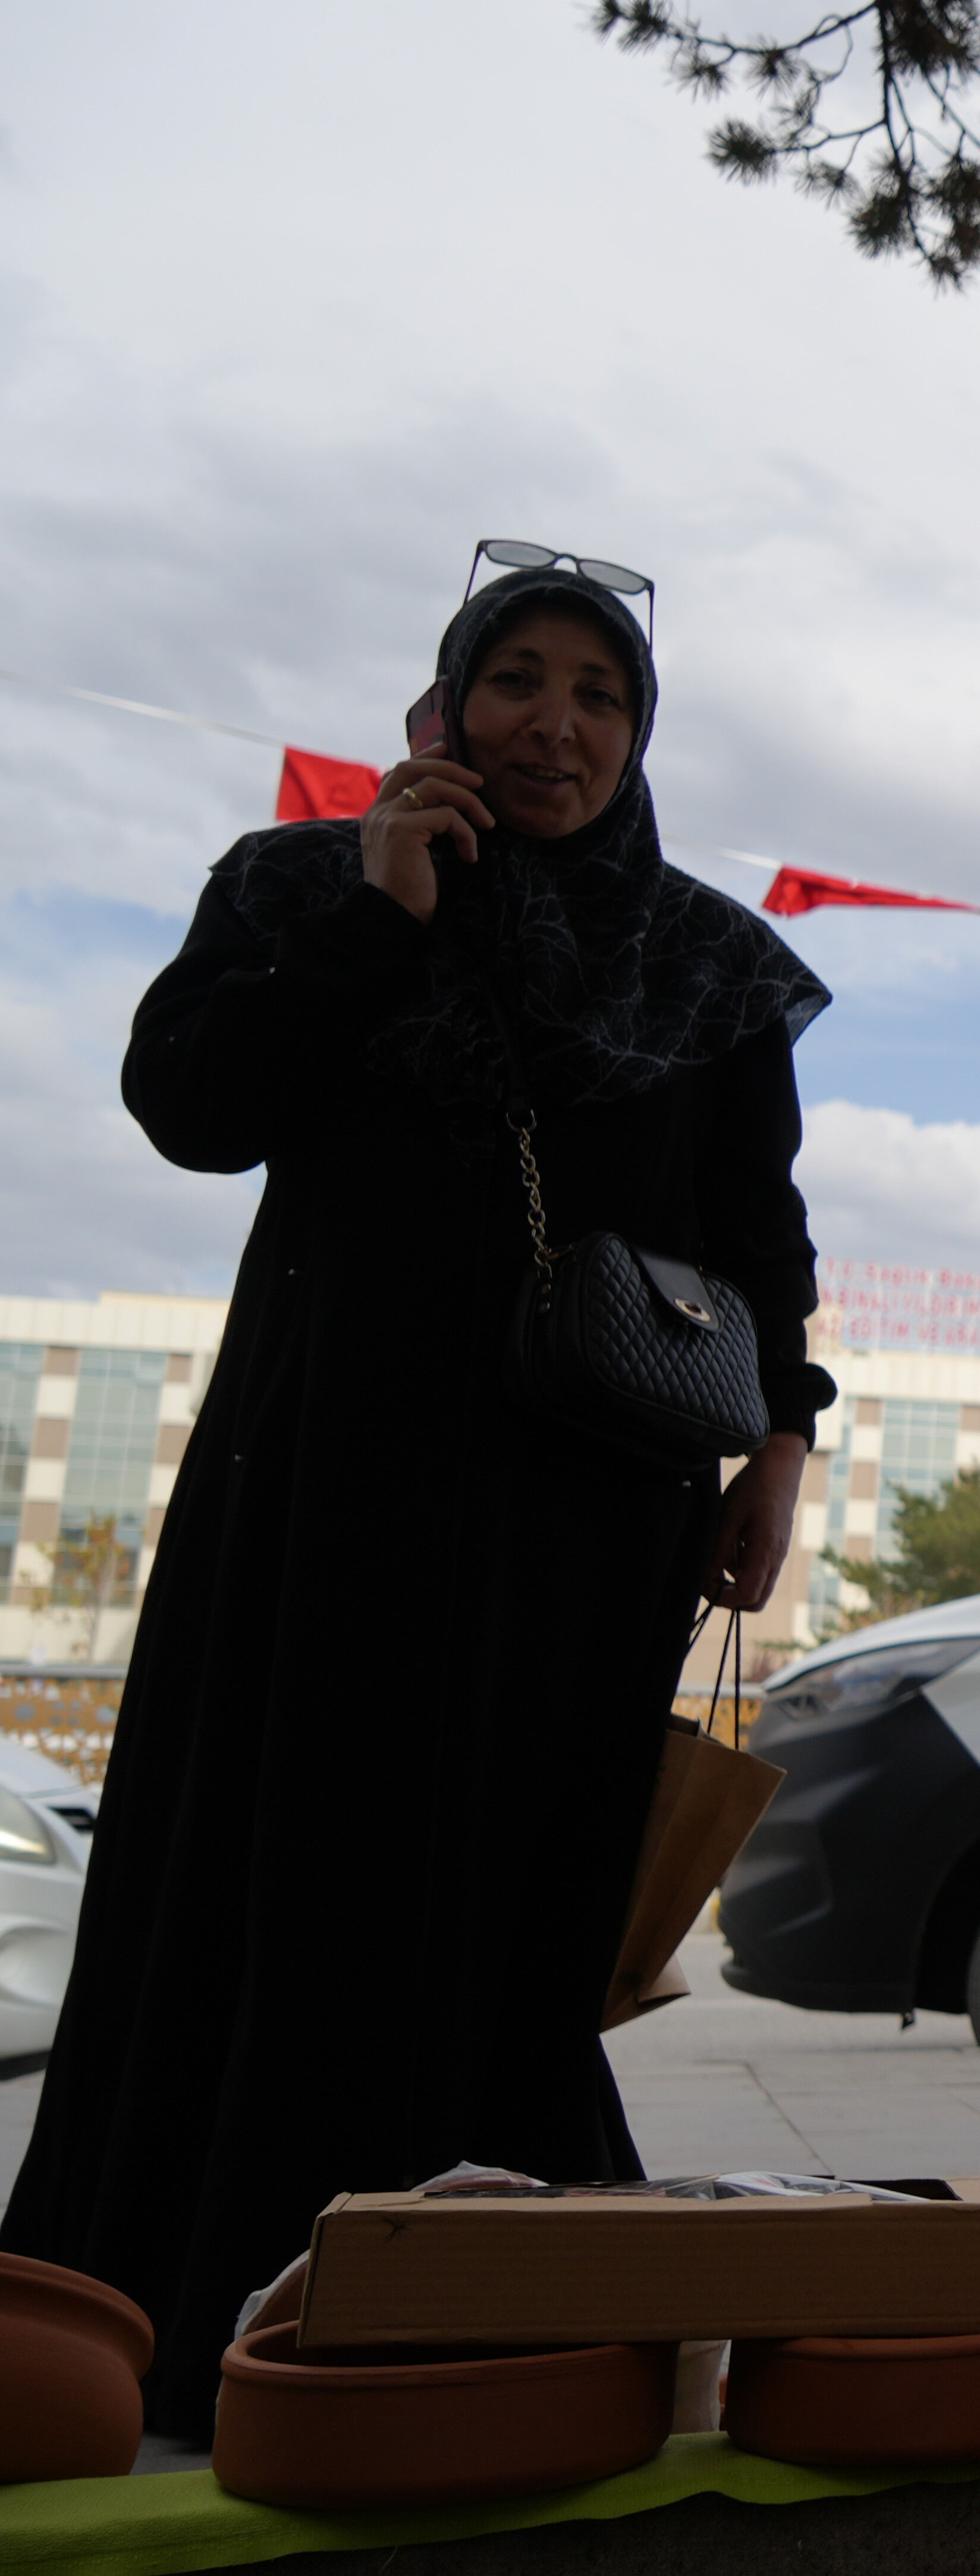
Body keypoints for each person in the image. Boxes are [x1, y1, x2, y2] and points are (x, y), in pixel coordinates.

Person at [1, 552, 834, 2435]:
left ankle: (509, 2290)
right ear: (441, 707)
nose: (556, 725)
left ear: (639, 736)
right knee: (287, 1853)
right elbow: (194, 1107)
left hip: (588, 1512)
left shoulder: (702, 962)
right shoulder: (302, 881)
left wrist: (777, 1446)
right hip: (325, 1487)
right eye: (516, 682)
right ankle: (217, 2294)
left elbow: (760, 1233)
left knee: (512, 1887)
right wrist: (379, 914)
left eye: (598, 697)